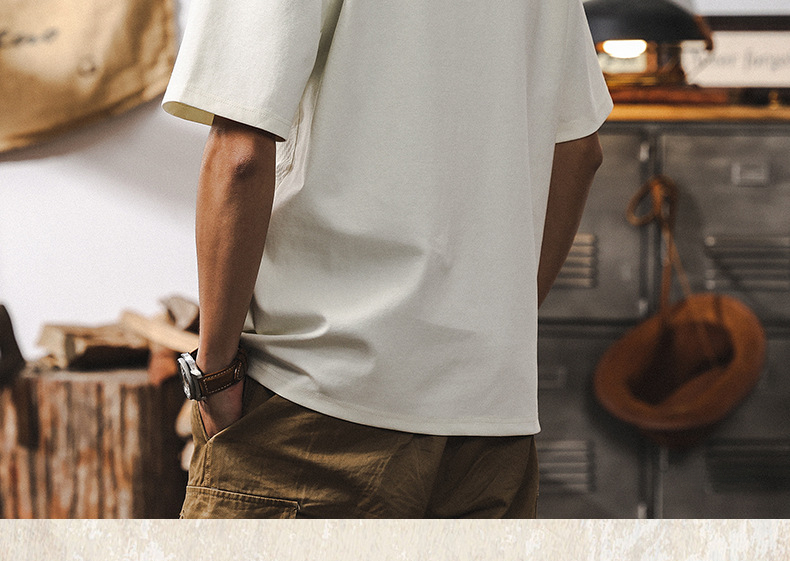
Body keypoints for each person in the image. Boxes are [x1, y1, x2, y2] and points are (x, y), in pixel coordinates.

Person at [163, 0, 612, 518]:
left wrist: (214, 376)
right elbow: (580, 153)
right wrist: (492, 333)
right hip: (488, 429)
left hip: (316, 405)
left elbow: (240, 156)